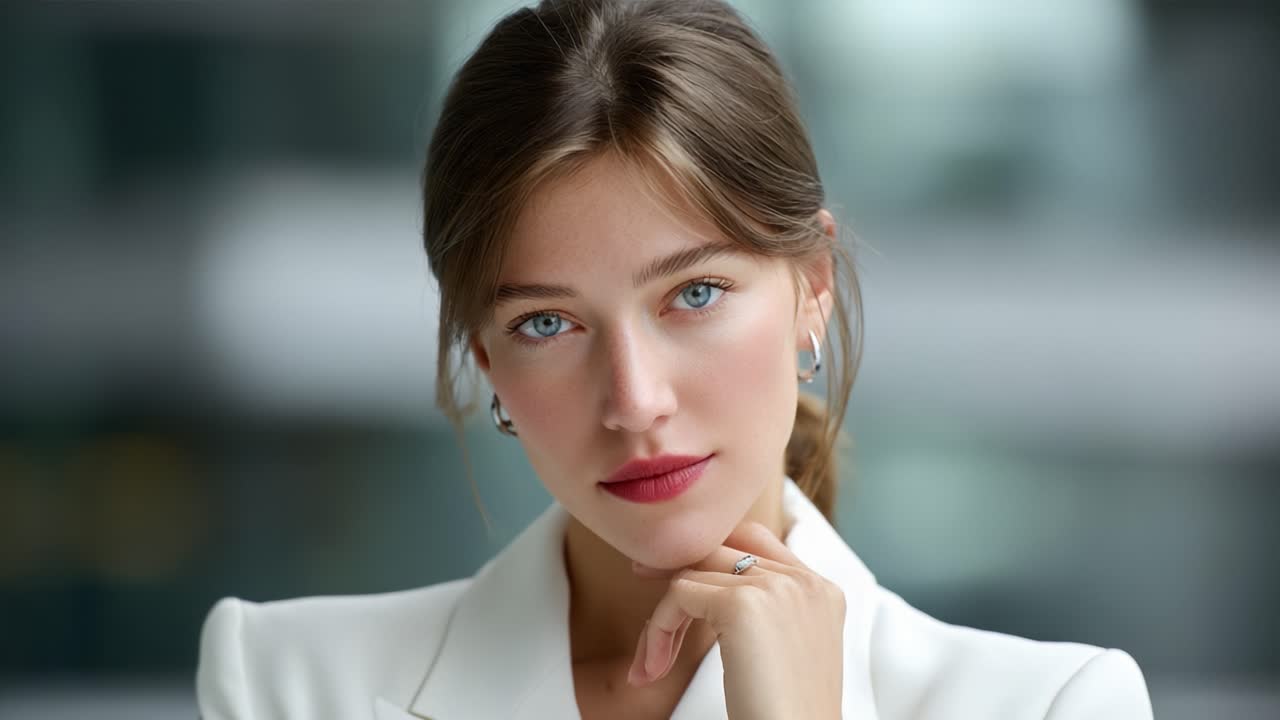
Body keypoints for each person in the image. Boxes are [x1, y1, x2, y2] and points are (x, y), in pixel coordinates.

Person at [195, 1, 1155, 718]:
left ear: (810, 286)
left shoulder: (1051, 706)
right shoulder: (290, 682)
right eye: (547, 324)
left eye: (693, 296)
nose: (636, 401)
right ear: (483, 356)